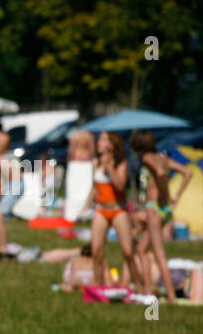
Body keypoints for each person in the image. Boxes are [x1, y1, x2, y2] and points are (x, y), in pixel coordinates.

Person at [77, 131, 148, 292]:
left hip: (118, 210)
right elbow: (94, 188)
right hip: (100, 210)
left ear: (111, 143)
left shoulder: (120, 163)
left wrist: (110, 168)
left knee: (128, 252)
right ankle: (98, 287)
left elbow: (120, 186)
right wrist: (84, 207)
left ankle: (138, 286)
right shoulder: (96, 162)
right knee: (96, 251)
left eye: (102, 140)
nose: (99, 143)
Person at [130, 130, 192, 303]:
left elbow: (160, 173)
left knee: (159, 254)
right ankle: (148, 291)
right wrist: (176, 195)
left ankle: (170, 296)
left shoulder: (147, 158)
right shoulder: (163, 158)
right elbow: (187, 173)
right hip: (164, 210)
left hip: (155, 208)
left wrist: (164, 194)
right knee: (141, 249)